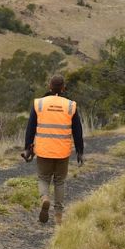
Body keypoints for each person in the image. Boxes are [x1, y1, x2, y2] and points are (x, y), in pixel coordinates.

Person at [24, 75, 84, 225]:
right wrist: (80, 151)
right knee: (59, 181)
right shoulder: (70, 105)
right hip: (62, 151)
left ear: (49, 86)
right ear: (63, 87)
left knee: (44, 178)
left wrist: (27, 148)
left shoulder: (39, 103)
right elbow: (78, 131)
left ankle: (45, 198)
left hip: (44, 150)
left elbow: (30, 128)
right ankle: (58, 216)